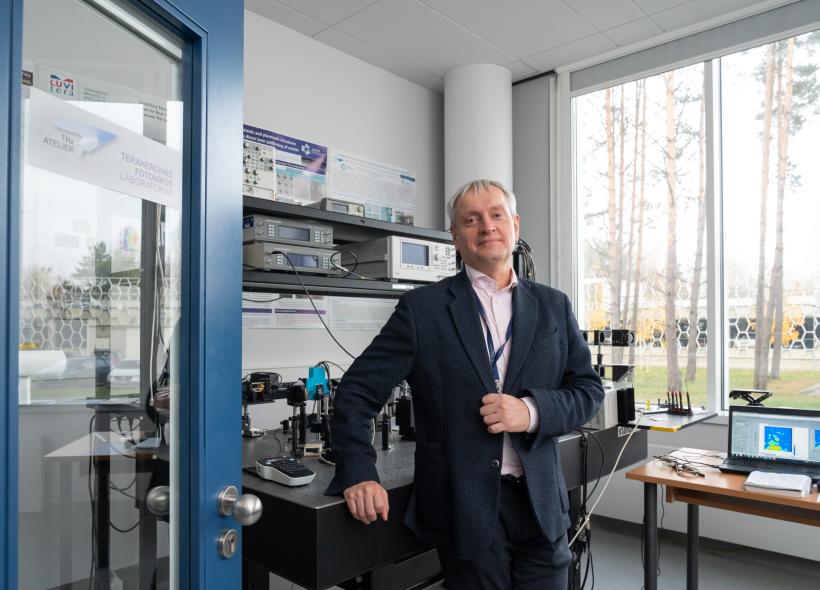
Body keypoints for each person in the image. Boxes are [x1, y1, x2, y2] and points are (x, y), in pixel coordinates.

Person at [326, 179, 604, 589]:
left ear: (515, 225)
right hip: (464, 508)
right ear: (455, 236)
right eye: (471, 220)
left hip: (541, 504)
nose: (487, 226)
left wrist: (530, 411)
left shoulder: (553, 305)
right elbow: (356, 392)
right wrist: (358, 472)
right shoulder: (422, 310)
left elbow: (588, 392)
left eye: (496, 215)